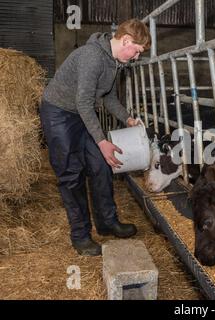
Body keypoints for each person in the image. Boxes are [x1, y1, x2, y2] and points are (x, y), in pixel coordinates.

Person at [39, 19, 151, 256]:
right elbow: (83, 102)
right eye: (137, 51)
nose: (136, 57)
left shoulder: (113, 62)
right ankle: (80, 236)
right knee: (71, 174)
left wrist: (128, 119)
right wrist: (102, 142)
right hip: (59, 112)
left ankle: (107, 222)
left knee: (100, 165)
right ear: (126, 41)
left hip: (81, 112)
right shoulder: (92, 56)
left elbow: (108, 97)